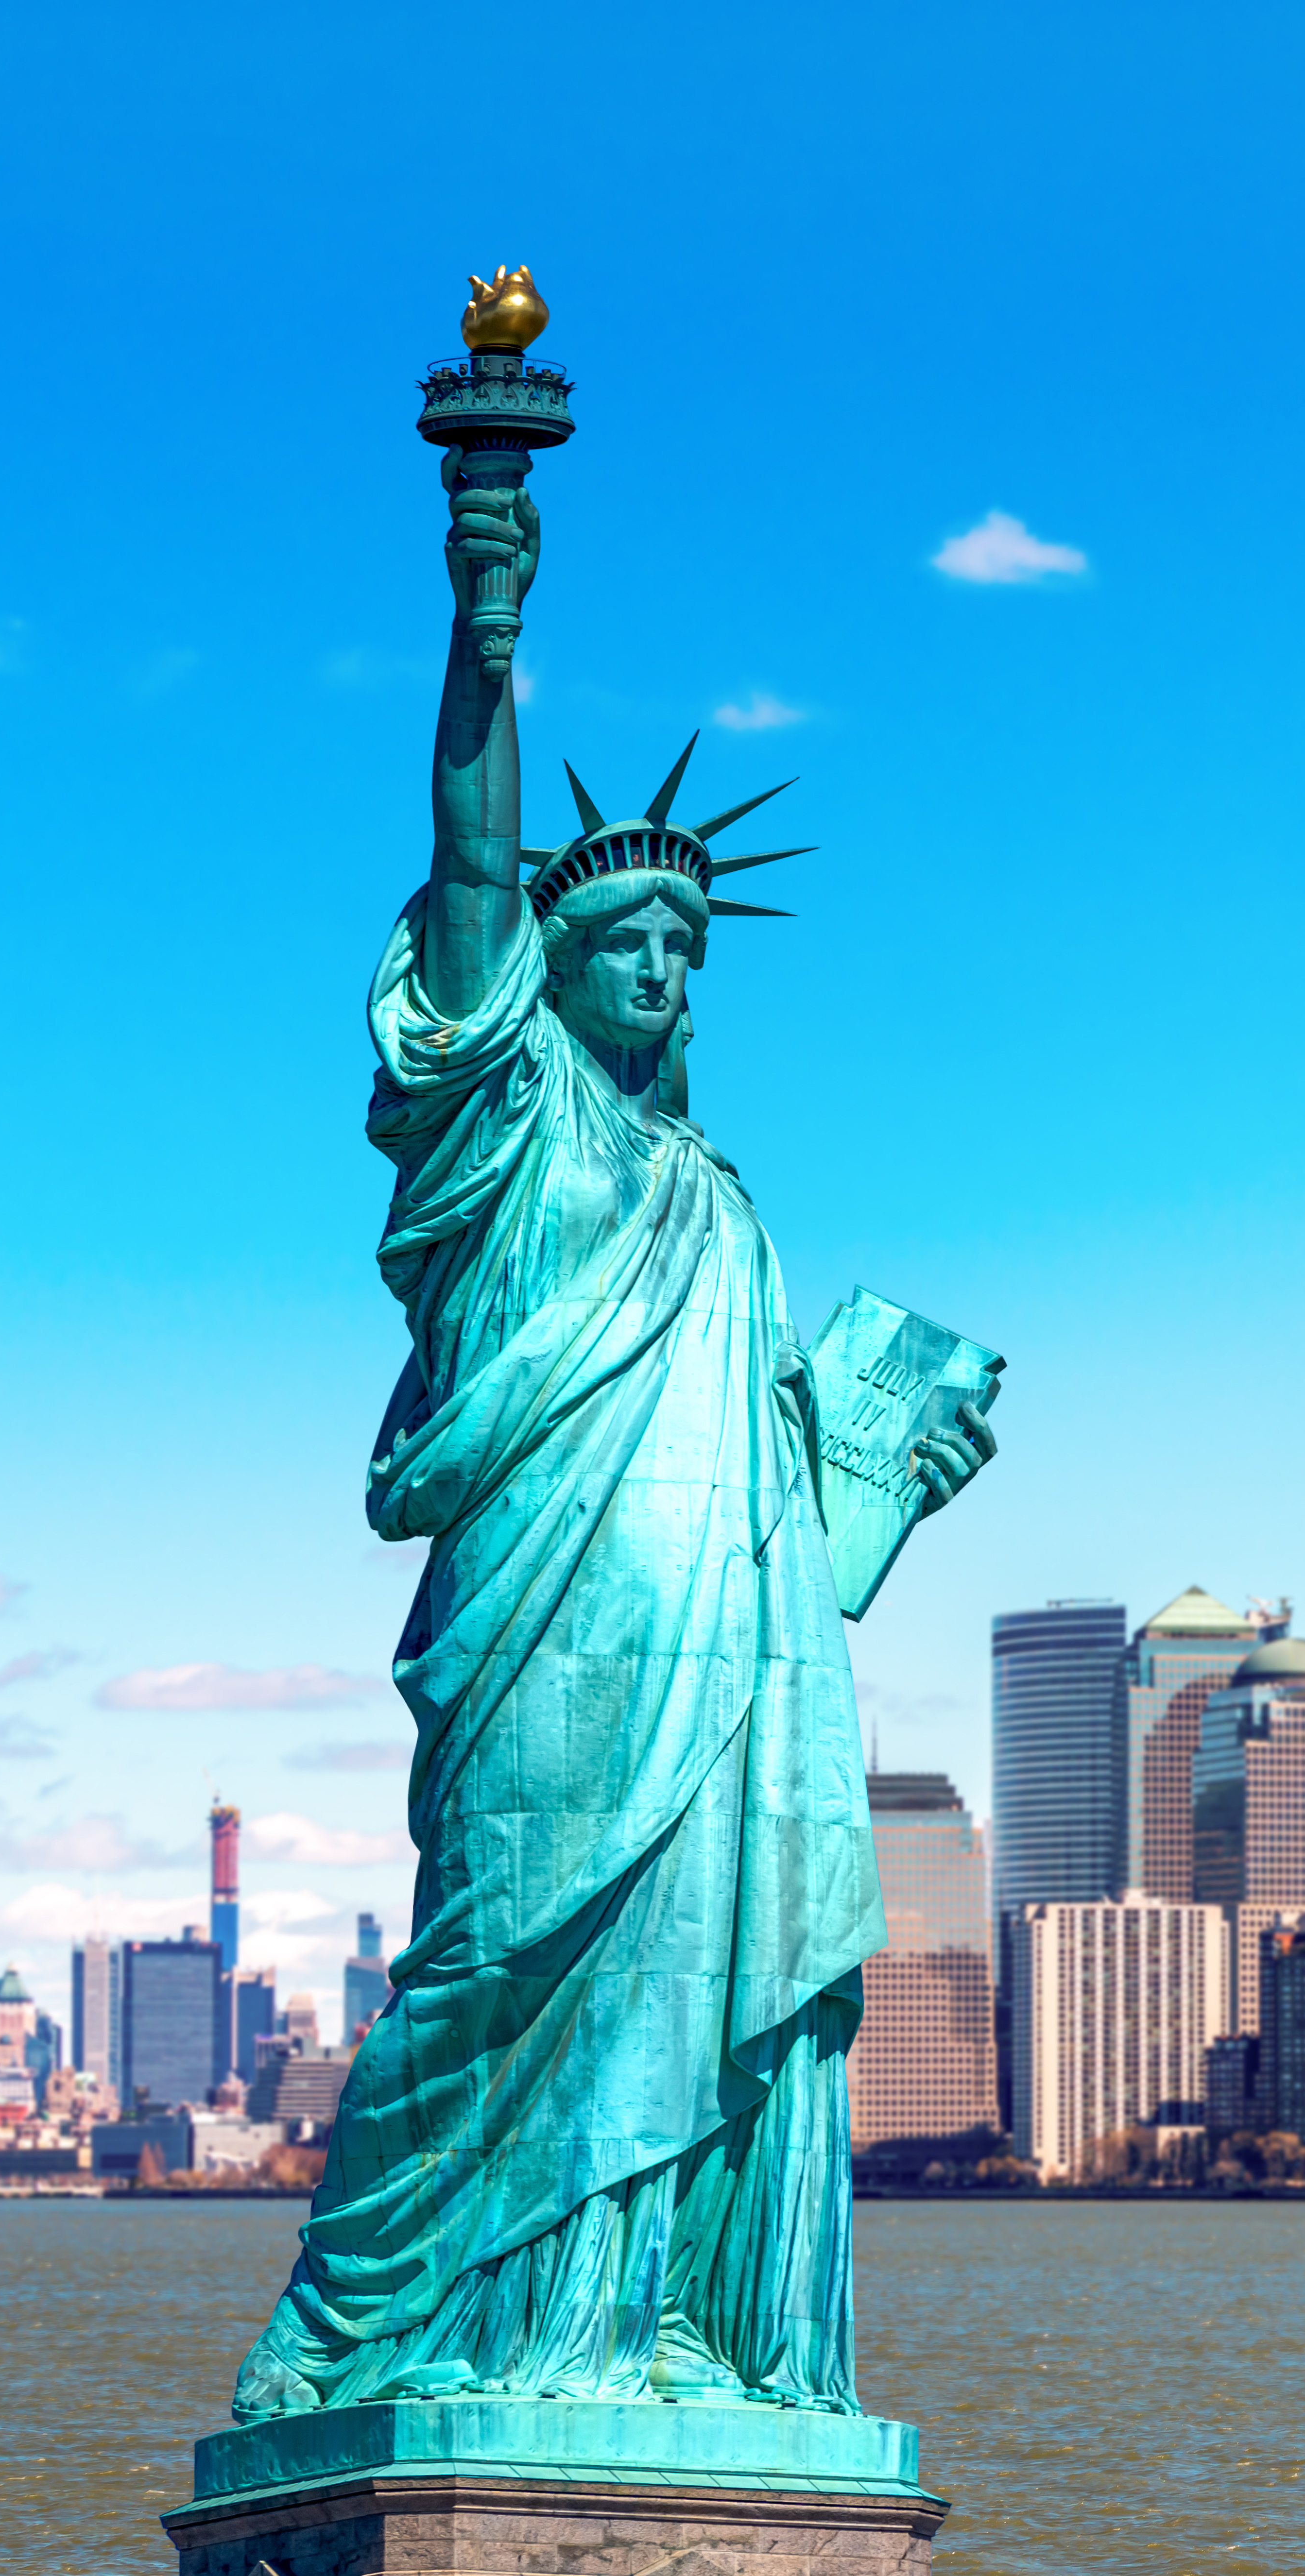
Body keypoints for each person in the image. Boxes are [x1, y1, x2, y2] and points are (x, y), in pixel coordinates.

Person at [232, 449, 989, 2420]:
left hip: (729, 1667)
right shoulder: (506, 1123)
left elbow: (782, 1524)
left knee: (699, 1970)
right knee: (499, 1961)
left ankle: (662, 2328)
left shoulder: (726, 1208)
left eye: (683, 946)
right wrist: (487, 619)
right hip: (547, 1635)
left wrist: (888, 1479)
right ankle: (374, 2328)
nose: (659, 965)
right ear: (549, 975)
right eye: (624, 941)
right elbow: (474, 864)